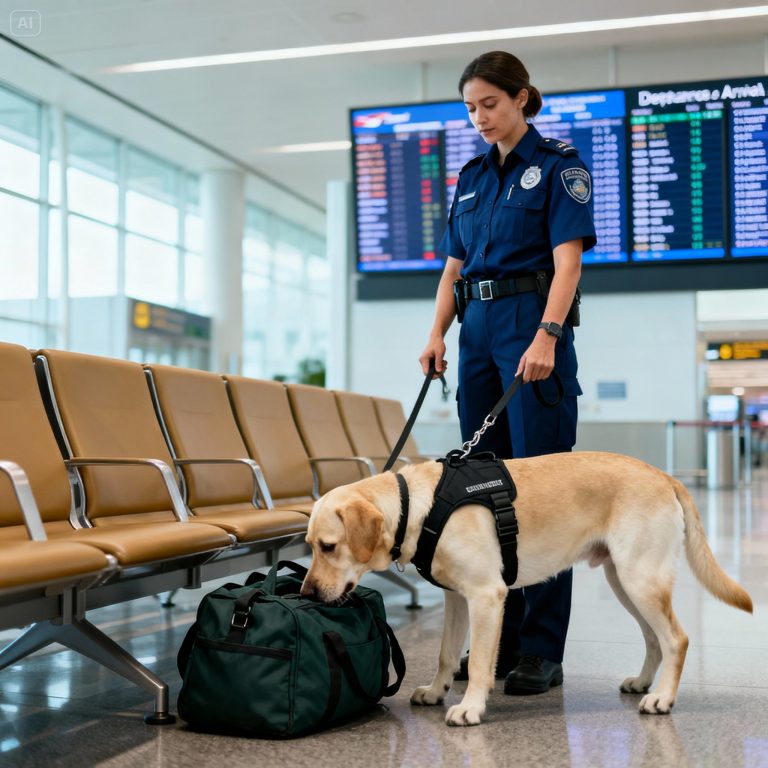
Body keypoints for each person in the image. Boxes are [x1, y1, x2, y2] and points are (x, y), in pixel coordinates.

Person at [419, 51, 597, 696]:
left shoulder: (558, 168)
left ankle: (542, 651)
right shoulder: (469, 179)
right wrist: (437, 332)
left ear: (522, 98)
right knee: (483, 491)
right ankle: (502, 641)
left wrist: (549, 333)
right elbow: (453, 269)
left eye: (489, 103)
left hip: (531, 323)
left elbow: (569, 261)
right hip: (477, 333)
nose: (480, 118)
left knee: (544, 493)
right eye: (470, 108)